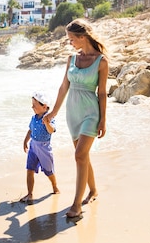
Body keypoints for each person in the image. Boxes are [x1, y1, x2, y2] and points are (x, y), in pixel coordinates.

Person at [43, 18, 108, 218]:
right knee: (83, 156)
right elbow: (64, 87)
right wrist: (53, 112)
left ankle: (76, 205)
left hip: (91, 112)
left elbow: (102, 93)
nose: (70, 43)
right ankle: (93, 190)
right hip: (72, 113)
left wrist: (103, 120)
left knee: (79, 156)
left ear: (82, 37)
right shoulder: (72, 59)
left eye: (72, 39)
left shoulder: (101, 61)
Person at [21, 91, 60, 204]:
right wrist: (25, 141)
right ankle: (30, 193)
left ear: (44, 106)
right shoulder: (33, 118)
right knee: (29, 170)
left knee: (49, 171)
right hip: (33, 146)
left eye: (34, 105)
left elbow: (52, 130)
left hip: (44, 148)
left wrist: (47, 123)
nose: (32, 107)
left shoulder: (49, 118)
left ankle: (54, 186)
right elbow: (30, 130)